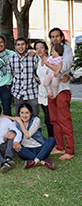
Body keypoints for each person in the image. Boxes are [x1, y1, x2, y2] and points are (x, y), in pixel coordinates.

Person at [47, 28, 74, 160]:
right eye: (52, 37)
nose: (55, 39)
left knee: (64, 120)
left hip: (62, 89)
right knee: (55, 120)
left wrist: (62, 73)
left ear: (62, 37)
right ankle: (59, 147)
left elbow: (65, 67)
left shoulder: (66, 49)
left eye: (57, 36)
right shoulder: (51, 52)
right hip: (52, 91)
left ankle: (69, 150)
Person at [8, 103, 56, 170]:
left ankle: (34, 161)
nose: (24, 115)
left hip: (40, 149)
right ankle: (42, 162)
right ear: (19, 114)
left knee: (52, 139)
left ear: (31, 113)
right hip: (26, 151)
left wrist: (20, 122)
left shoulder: (36, 120)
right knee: (16, 145)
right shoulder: (16, 123)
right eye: (22, 113)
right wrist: (13, 119)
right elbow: (2, 118)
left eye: (27, 113)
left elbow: (28, 135)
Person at [7, 37, 39, 117]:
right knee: (19, 116)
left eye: (22, 44)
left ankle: (34, 129)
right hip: (18, 92)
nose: (20, 47)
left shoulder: (33, 58)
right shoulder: (11, 59)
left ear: (27, 45)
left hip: (32, 91)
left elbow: (38, 71)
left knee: (34, 114)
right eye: (18, 45)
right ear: (15, 46)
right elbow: (11, 73)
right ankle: (20, 130)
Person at [34, 41, 53, 138]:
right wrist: (39, 79)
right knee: (47, 118)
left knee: (50, 119)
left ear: (46, 49)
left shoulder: (51, 60)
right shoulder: (38, 61)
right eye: (37, 48)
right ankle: (52, 140)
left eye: (41, 47)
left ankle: (54, 141)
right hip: (42, 93)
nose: (39, 50)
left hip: (50, 93)